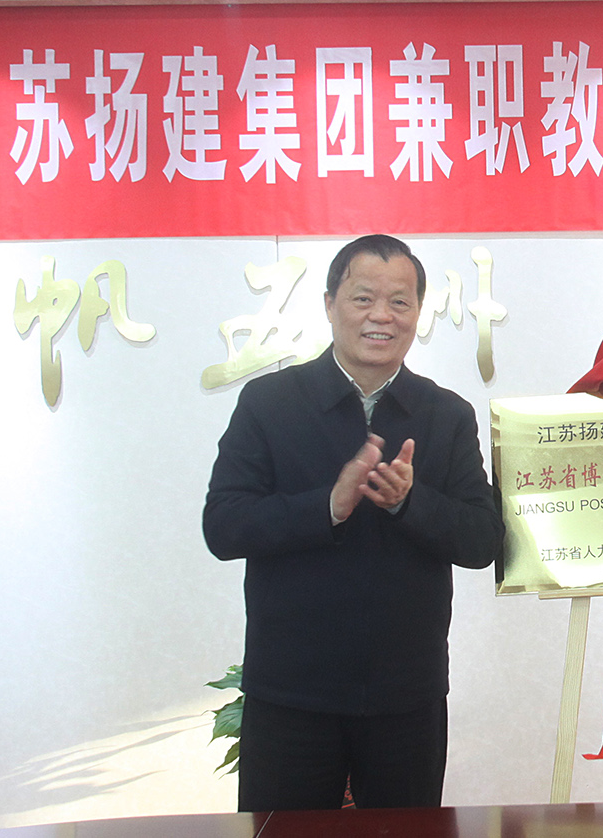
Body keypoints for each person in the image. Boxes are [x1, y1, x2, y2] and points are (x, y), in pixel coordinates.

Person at [204, 234, 503, 810]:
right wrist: (328, 506)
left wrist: (409, 502)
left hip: (405, 694)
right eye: (363, 298)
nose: (381, 316)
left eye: (400, 302)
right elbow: (223, 525)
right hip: (291, 691)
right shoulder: (269, 403)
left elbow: (481, 540)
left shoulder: (445, 414)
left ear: (418, 312)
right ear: (329, 304)